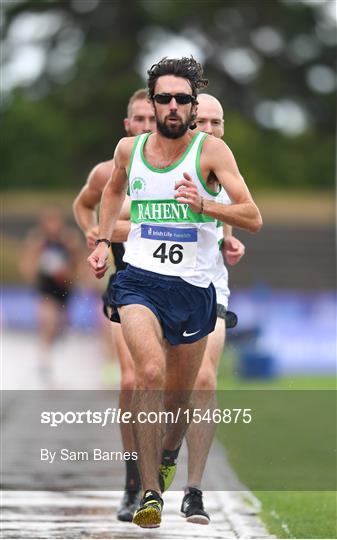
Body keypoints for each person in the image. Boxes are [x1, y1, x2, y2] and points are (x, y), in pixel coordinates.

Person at [88, 56, 262, 529]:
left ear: (192, 104)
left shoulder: (211, 153)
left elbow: (252, 214)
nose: (171, 106)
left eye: (181, 99)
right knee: (147, 372)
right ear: (152, 99)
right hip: (139, 280)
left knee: (182, 395)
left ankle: (168, 456)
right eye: (162, 97)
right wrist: (104, 239)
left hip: (194, 287)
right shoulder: (129, 149)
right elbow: (109, 191)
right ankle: (148, 492)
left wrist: (204, 205)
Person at [73, 89, 155, 522]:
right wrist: (94, 234)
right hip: (126, 287)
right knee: (130, 379)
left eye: (151, 119)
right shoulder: (109, 171)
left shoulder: (176, 168)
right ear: (127, 126)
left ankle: (161, 466)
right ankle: (132, 484)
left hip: (172, 287)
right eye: (138, 120)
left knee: (169, 384)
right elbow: (84, 203)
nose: (145, 126)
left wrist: (115, 230)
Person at [179, 93, 245, 524]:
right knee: (164, 388)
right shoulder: (157, 157)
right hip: (157, 286)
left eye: (216, 123)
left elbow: (237, 206)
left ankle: (194, 490)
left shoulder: (221, 158)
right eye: (200, 121)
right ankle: (162, 456)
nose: (209, 130)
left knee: (204, 378)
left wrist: (227, 236)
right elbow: (126, 212)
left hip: (209, 286)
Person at [20, 206, 81, 384]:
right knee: (48, 321)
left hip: (64, 290)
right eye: (49, 222)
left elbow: (78, 264)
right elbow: (28, 263)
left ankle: (55, 338)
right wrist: (33, 274)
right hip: (46, 290)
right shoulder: (38, 240)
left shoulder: (69, 240)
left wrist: (69, 274)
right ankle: (44, 361)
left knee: (59, 325)